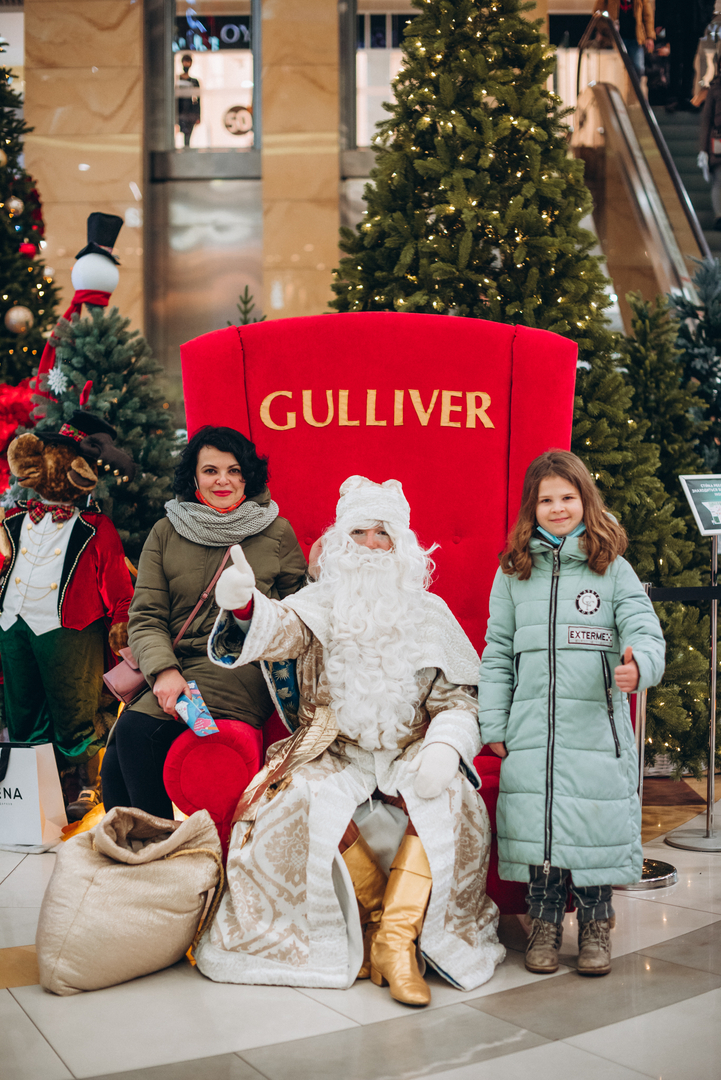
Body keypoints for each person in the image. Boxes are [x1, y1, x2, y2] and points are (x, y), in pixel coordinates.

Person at [195, 476, 505, 1005]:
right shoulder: (318, 603)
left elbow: (460, 697)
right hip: (334, 748)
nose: (369, 545)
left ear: (401, 544)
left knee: (451, 795)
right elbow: (281, 628)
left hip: (411, 748)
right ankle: (382, 920)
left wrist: (445, 746)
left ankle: (394, 940)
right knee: (296, 798)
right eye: (357, 533)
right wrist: (245, 606)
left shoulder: (430, 613)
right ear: (340, 541)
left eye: (381, 533)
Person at [478, 450, 665, 977]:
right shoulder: (514, 574)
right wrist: (494, 723)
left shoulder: (613, 570)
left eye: (567, 497)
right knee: (540, 829)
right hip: (531, 730)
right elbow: (497, 652)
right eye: (546, 500)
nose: (558, 508)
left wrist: (640, 666)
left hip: (597, 730)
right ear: (531, 508)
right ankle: (543, 924)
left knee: (595, 827)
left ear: (585, 500)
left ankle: (595, 925)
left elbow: (645, 631)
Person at [101, 426, 306, 819]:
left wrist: (252, 609)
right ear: (194, 477)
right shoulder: (166, 531)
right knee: (113, 764)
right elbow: (146, 616)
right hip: (176, 662)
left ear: (247, 477)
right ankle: (136, 847)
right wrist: (163, 670)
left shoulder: (276, 531)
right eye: (211, 470)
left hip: (240, 666)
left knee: (135, 732)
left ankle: (160, 847)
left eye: (234, 470)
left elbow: (298, 615)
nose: (222, 480)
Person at [593, 0, 655, 78]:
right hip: (614, 39)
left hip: (635, 38)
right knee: (616, 69)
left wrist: (649, 37)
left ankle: (634, 86)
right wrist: (607, 30)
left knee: (638, 69)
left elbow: (648, 15)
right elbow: (597, 13)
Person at [698, 56, 721, 230]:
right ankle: (719, 215)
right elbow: (706, 121)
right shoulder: (715, 89)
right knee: (719, 179)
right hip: (718, 139)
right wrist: (703, 149)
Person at [176, 54, 201, 147]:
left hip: (189, 112)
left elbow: (198, 99)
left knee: (187, 137)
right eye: (185, 62)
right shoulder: (176, 79)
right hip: (178, 110)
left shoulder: (194, 81)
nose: (186, 64)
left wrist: (198, 115)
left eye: (188, 62)